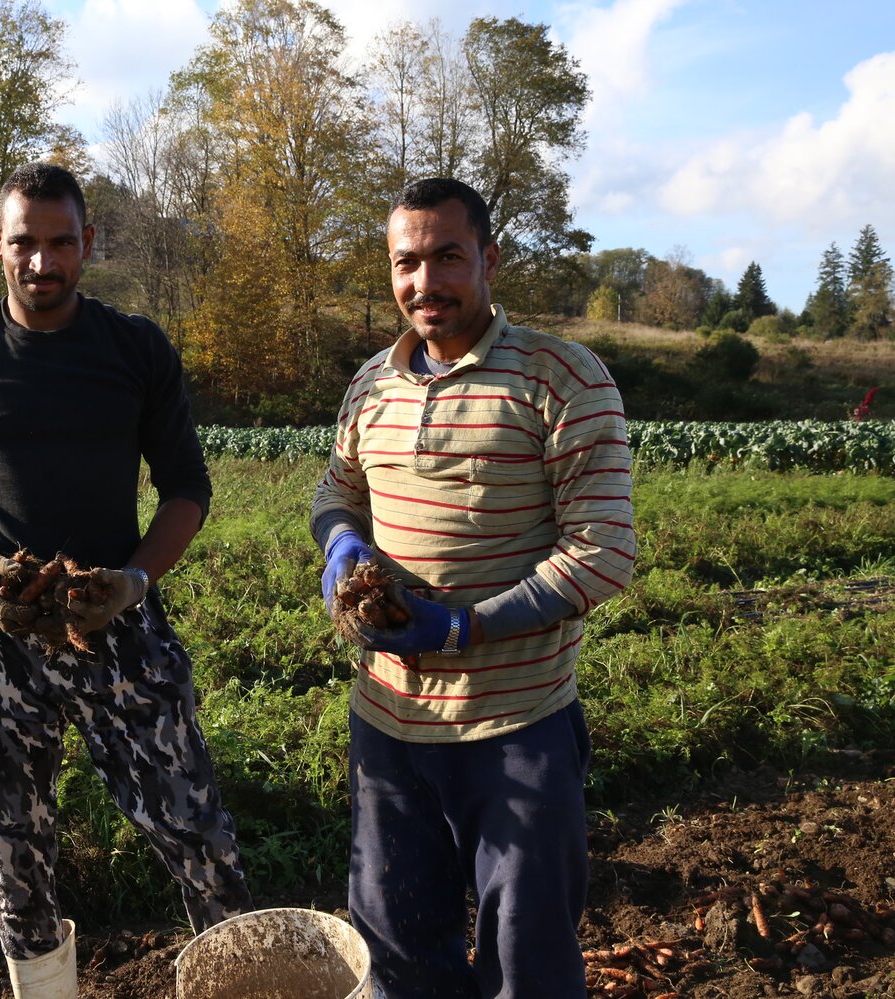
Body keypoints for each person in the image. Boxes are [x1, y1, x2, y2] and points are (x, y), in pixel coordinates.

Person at [0, 161, 251, 999]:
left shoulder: (134, 348)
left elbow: (188, 488)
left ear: (89, 243)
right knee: (16, 854)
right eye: (24, 244)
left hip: (115, 625)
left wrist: (134, 582)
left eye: (60, 244)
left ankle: (244, 980)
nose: (41, 263)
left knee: (197, 833)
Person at [310, 178, 636, 999]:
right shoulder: (369, 386)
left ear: (489, 258)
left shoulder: (562, 377)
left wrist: (462, 630)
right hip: (388, 728)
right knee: (398, 953)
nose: (425, 283)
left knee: (526, 968)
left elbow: (602, 551)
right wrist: (341, 540)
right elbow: (335, 489)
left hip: (516, 731)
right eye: (406, 263)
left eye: (447, 257)